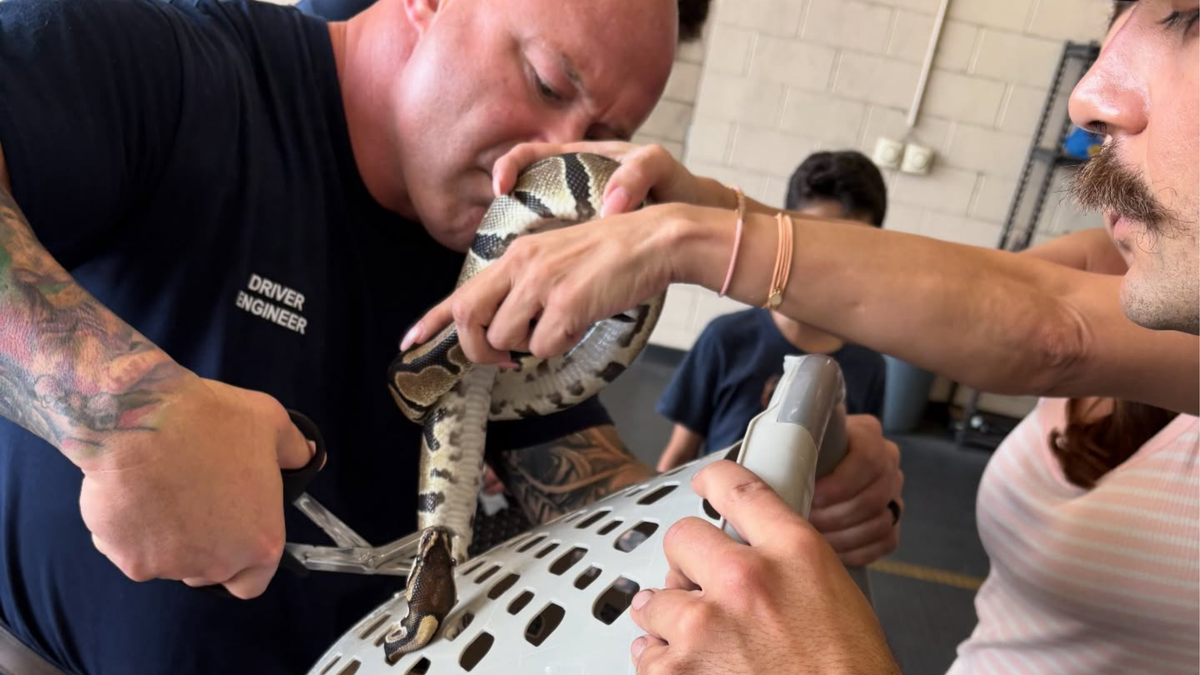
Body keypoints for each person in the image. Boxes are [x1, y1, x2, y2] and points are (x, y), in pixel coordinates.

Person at [406, 0, 1199, 672]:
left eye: (1188, 15)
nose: (1087, 96)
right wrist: (709, 213)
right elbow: (1034, 311)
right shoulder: (1132, 282)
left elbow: (1051, 329)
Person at [0, 0, 694, 673]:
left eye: (601, 135)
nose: (550, 159)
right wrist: (118, 408)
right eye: (546, 83)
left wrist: (725, 536)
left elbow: (580, 471)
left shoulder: (500, 256)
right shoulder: (177, 67)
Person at [656, 151, 889, 474]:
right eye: (817, 241)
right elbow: (678, 457)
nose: (831, 263)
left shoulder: (869, 365)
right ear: (788, 235)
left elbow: (861, 471)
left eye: (851, 248)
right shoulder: (725, 339)